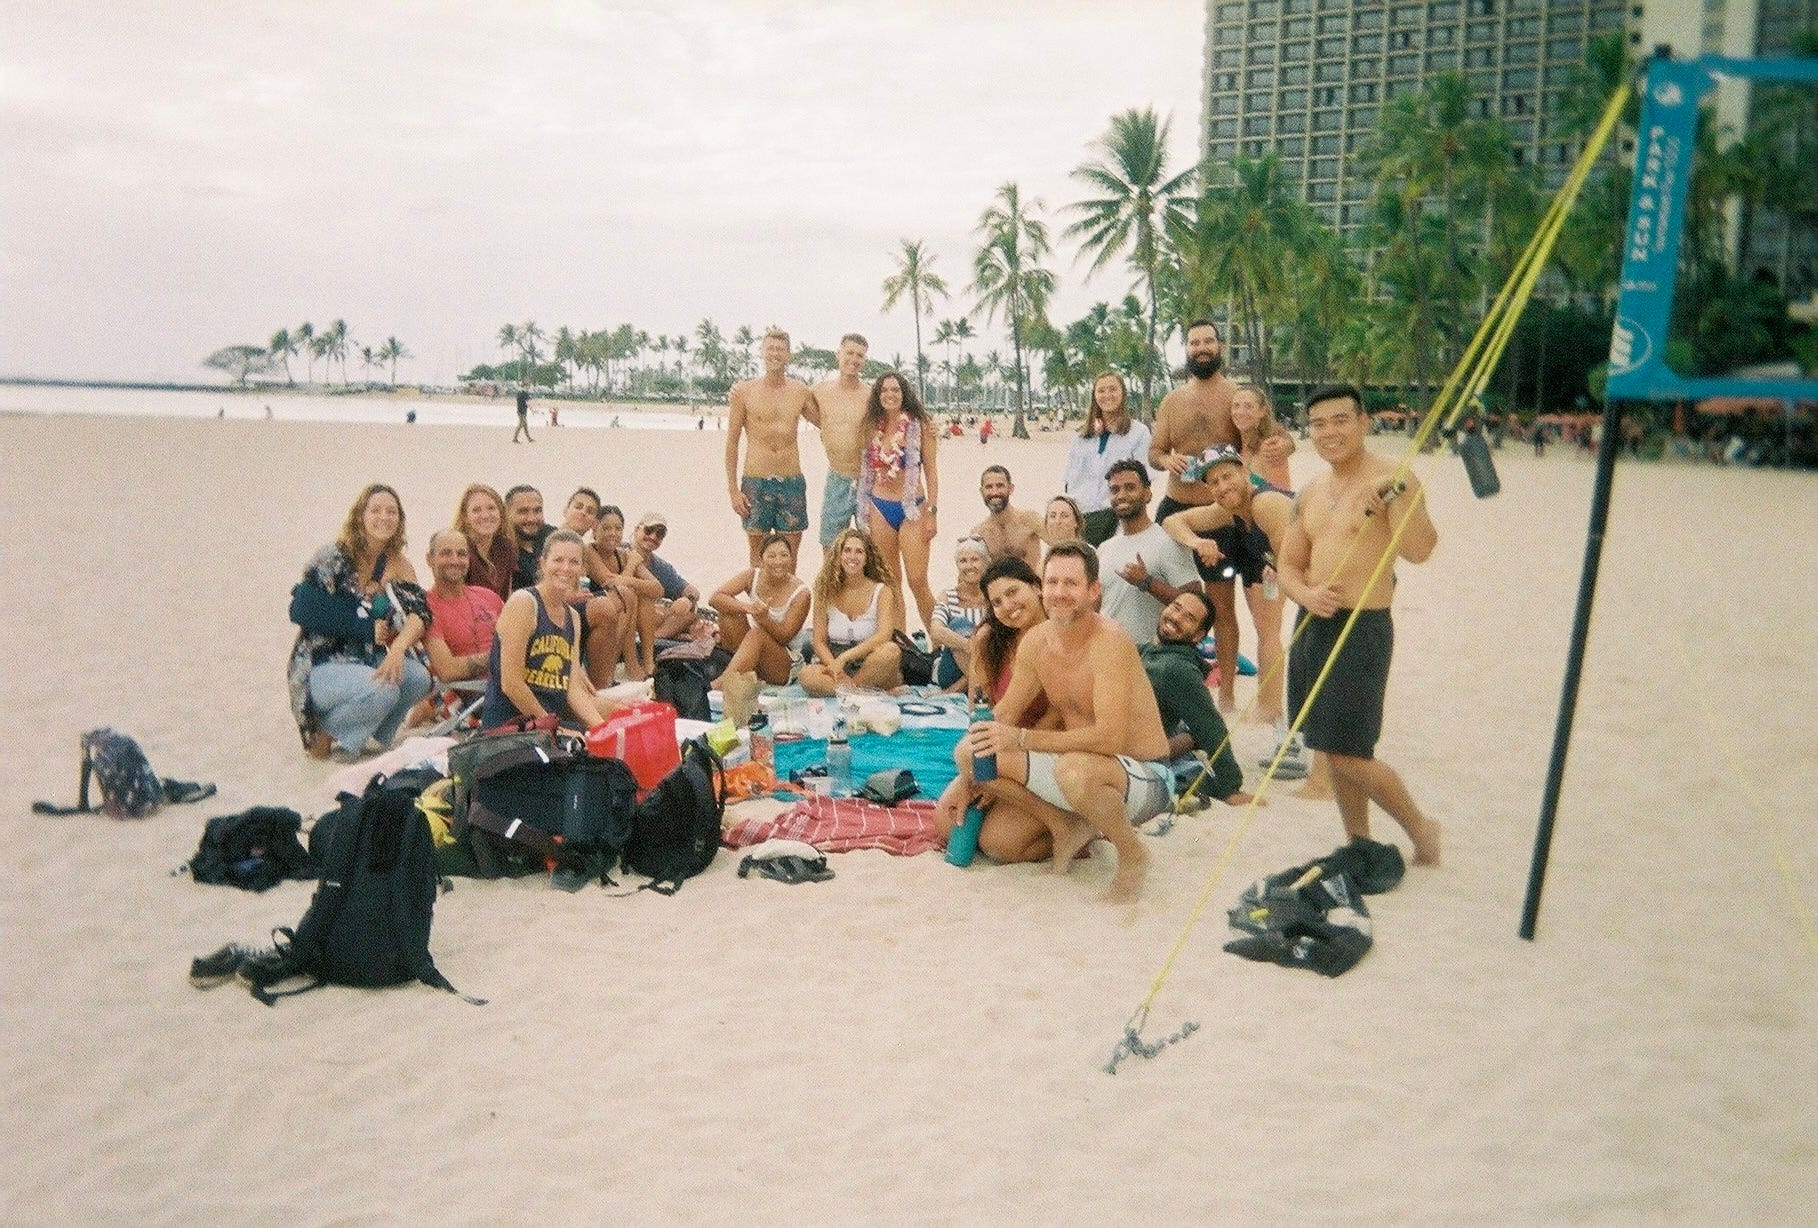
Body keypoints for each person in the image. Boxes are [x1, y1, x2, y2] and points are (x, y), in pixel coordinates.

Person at [938, 541, 1173, 903]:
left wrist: (1020, 739)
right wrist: (971, 775)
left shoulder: (1109, 641)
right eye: (1053, 582)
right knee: (969, 750)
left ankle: (1132, 854)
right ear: (1042, 586)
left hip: (1143, 774)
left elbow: (1110, 738)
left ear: (1093, 591)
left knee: (1073, 770)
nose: (1059, 592)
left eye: (1071, 583)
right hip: (1078, 767)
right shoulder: (1037, 641)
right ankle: (1067, 825)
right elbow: (1003, 715)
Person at [1277, 385, 1442, 866]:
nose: (1329, 432)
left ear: (1363, 422)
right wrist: (1306, 594)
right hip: (1313, 624)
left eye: (1340, 420)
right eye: (1318, 424)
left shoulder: (1396, 479)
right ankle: (1359, 842)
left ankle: (1421, 828)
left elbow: (1421, 550)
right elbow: (1288, 565)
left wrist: (1397, 499)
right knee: (1329, 746)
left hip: (1363, 627)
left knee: (1350, 752)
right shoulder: (1310, 491)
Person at [287, 484, 434, 761]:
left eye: (392, 511)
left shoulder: (398, 564)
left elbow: (420, 613)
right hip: (322, 661)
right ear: (360, 516)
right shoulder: (333, 556)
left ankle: (365, 734)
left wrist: (399, 648)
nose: (384, 517)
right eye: (375, 510)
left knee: (417, 678)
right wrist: (364, 627)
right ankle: (324, 732)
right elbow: (301, 608)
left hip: (366, 658)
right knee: (385, 689)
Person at [1159, 445, 1294, 724]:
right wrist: (1198, 542)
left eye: (1227, 476)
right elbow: (1172, 521)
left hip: (1329, 571)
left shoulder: (1264, 503)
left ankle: (1269, 708)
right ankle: (1269, 708)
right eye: (1214, 482)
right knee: (1267, 628)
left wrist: (1279, 570)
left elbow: (1295, 560)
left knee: (1269, 629)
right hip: (1293, 569)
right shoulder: (1230, 511)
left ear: (1244, 471)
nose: (1222, 487)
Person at [1150, 320, 1243, 707]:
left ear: (1220, 346)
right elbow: (1155, 451)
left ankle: (1227, 693)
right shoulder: (1172, 400)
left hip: (1219, 515)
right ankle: (1162, 676)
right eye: (1194, 343)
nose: (1201, 348)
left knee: (1222, 605)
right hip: (1175, 506)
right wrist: (1167, 460)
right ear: (1186, 349)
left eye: (1208, 341)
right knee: (1162, 598)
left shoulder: (1236, 396)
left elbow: (1258, 445)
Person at [479, 530, 609, 729]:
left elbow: (573, 688)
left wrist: (602, 728)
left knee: (619, 726)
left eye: (574, 562)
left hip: (547, 723)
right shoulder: (524, 603)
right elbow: (511, 684)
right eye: (558, 560)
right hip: (511, 727)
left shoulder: (573, 618)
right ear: (543, 563)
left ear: (582, 569)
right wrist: (553, 728)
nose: (565, 568)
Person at [1141, 589, 1251, 806]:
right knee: (1187, 729)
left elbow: (1212, 727)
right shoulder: (1149, 649)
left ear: (1198, 635)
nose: (1176, 617)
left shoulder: (1176, 669)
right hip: (1157, 734)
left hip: (1141, 754)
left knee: (1197, 730)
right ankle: (1191, 742)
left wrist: (1230, 787)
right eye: (1176, 607)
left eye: (1189, 618)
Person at [856, 371, 939, 634]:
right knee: (891, 584)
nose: (890, 395)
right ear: (877, 395)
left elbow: (931, 472)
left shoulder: (920, 425)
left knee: (918, 581)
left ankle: (939, 641)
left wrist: (932, 511)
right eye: (884, 390)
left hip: (912, 507)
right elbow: (865, 468)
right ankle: (901, 644)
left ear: (904, 394)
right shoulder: (871, 426)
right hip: (879, 507)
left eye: (895, 390)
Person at [726, 328, 815, 565]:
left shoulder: (800, 391)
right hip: (756, 481)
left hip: (791, 481)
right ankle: (759, 592)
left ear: (789, 355)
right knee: (758, 557)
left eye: (781, 349)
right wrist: (733, 490)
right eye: (771, 348)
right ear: (762, 352)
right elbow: (732, 442)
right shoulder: (744, 392)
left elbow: (827, 422)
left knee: (789, 557)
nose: (775, 353)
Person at [1094, 460, 1201, 650]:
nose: (1121, 495)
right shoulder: (1104, 548)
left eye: (1130, 487)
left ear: (1147, 494)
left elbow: (1196, 602)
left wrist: (1147, 582)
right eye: (1115, 490)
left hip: (1153, 656)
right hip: (1109, 653)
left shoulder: (1168, 541)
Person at [798, 527, 903, 696]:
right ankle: (860, 691)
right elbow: (819, 641)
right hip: (834, 660)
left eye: (859, 552)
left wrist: (845, 657)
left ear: (867, 558)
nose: (852, 557)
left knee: (890, 651)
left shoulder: (882, 591)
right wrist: (836, 668)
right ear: (839, 556)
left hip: (869, 659)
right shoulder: (824, 590)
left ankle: (849, 690)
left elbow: (884, 635)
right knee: (806, 675)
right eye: (847, 550)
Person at [1062, 371, 1154, 546]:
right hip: (1081, 516)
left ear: (1123, 393)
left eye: (1113, 389)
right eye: (1101, 391)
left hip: (1118, 517)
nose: (1107, 395)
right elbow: (1069, 481)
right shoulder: (1081, 436)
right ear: (1094, 396)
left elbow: (1144, 479)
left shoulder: (1138, 433)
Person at [709, 533, 811, 688]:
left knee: (756, 634)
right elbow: (715, 598)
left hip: (785, 661)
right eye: (772, 556)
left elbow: (785, 637)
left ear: (791, 558)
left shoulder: (801, 593)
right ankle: (738, 670)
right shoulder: (752, 575)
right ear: (761, 559)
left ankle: (723, 683)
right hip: (756, 652)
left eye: (784, 555)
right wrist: (747, 608)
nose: (778, 561)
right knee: (728, 611)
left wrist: (764, 619)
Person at [806, 333, 873, 555]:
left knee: (873, 545)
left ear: (864, 360)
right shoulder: (820, 391)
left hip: (868, 479)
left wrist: (928, 425)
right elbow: (791, 397)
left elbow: (900, 414)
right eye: (849, 353)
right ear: (838, 354)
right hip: (837, 477)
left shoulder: (871, 395)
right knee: (831, 545)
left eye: (860, 355)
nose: (854, 359)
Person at [581, 505, 662, 684]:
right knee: (627, 594)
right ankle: (618, 669)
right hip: (596, 617)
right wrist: (631, 566)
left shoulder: (623, 555)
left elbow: (657, 588)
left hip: (621, 619)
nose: (613, 533)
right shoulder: (589, 551)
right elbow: (611, 585)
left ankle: (648, 663)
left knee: (644, 596)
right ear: (595, 529)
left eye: (618, 528)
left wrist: (629, 579)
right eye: (606, 528)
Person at [421, 529, 504, 684]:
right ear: (429, 559)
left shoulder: (488, 596)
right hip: (474, 692)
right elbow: (447, 670)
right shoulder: (425, 608)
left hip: (513, 683)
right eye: (446, 553)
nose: (455, 560)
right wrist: (503, 656)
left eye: (461, 554)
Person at [630, 512, 703, 642]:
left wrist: (687, 599)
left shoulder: (660, 566)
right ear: (636, 530)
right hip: (621, 612)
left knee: (689, 616)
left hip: (646, 618)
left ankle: (651, 639)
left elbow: (692, 591)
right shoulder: (619, 552)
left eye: (660, 534)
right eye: (649, 530)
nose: (653, 537)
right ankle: (651, 639)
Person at [929, 537, 990, 690]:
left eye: (975, 560)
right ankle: (981, 687)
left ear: (985, 562)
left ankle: (973, 686)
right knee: (958, 624)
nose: (969, 566)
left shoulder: (992, 596)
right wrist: (970, 646)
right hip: (952, 670)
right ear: (957, 565)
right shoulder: (948, 596)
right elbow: (936, 631)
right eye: (963, 561)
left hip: (987, 664)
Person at [970, 465, 1043, 569]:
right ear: (982, 492)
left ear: (1010, 488)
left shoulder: (1030, 520)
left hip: (1031, 578)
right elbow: (973, 572)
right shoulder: (979, 534)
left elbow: (1059, 544)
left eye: (1000, 486)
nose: (994, 492)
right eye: (989, 487)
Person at [452, 483, 516, 602]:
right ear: (465, 517)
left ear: (501, 512)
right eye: (476, 510)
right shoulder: (459, 551)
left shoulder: (506, 547)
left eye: (491, 508)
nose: (486, 516)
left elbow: (506, 596)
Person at [1230, 383, 1296, 492]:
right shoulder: (1237, 448)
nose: (1240, 412)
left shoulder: (1271, 449)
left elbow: (1282, 495)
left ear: (1262, 411)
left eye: (1248, 406)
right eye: (1236, 406)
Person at [504, 485, 552, 591]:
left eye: (537, 510)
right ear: (506, 513)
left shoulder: (550, 536)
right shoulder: (500, 550)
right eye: (523, 511)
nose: (532, 518)